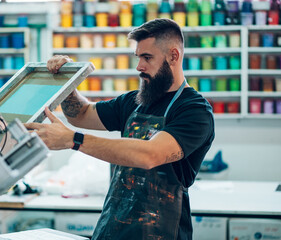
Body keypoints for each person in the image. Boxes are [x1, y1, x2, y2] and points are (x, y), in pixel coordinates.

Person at [24, 18, 215, 240]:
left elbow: (149, 155)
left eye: (147, 58)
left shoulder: (194, 110)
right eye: (138, 57)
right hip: (112, 229)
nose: (139, 66)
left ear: (174, 56)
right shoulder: (135, 101)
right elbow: (81, 114)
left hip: (160, 233)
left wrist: (72, 140)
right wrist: (67, 80)